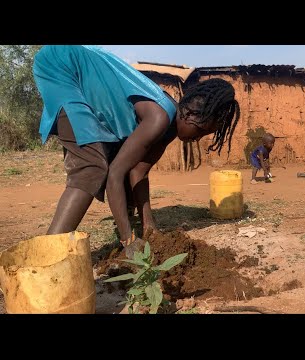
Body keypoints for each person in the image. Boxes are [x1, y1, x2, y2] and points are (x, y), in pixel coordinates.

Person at [33, 45, 240, 248]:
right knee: (92, 167)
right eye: (202, 131)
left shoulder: (167, 128)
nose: (198, 139)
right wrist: (128, 240)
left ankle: (128, 227)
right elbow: (115, 173)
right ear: (191, 115)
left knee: (118, 158)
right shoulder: (159, 118)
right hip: (62, 64)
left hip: (75, 68)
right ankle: (48, 253)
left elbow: (138, 172)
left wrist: (149, 225)